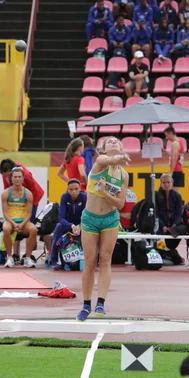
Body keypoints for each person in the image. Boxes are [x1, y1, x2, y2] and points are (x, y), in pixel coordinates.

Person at [78, 137, 130, 322]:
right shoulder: (100, 163)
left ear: (121, 146)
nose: (113, 143)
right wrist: (119, 158)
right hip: (90, 219)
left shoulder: (123, 175)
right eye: (109, 142)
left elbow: (120, 203)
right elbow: (108, 160)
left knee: (106, 260)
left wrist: (106, 193)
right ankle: (86, 304)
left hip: (109, 219)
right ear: (102, 148)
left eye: (117, 141)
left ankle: (101, 302)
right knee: (90, 262)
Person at [0, 167, 38, 268]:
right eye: (15, 177)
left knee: (33, 229)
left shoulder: (28, 194)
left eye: (19, 177)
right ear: (11, 179)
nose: (17, 179)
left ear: (23, 179)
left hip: (23, 221)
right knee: (6, 228)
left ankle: (28, 258)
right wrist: (14, 224)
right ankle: (9, 257)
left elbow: (29, 213)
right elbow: (5, 213)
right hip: (10, 220)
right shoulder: (5, 193)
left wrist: (22, 224)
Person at [50, 179, 87, 270]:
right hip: (67, 225)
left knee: (92, 231)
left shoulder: (84, 197)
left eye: (76, 189)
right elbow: (61, 217)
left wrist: (80, 225)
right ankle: (54, 261)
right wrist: (71, 225)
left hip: (81, 224)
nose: (73, 191)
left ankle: (93, 260)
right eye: (71, 189)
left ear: (80, 189)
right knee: (58, 227)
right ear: (67, 190)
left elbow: (87, 215)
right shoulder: (64, 197)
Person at [155, 173, 183, 248]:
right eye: (164, 183)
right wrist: (163, 226)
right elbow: (155, 214)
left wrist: (174, 226)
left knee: (184, 230)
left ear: (172, 183)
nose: (166, 184)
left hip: (173, 226)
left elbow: (179, 214)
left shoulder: (177, 196)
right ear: (161, 184)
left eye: (168, 182)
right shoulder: (156, 195)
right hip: (160, 225)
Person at [163, 126, 184, 192]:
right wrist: (165, 151)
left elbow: (174, 158)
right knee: (174, 191)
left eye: (167, 135)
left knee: (174, 192)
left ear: (171, 133)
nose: (166, 138)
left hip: (176, 170)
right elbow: (173, 156)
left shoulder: (175, 143)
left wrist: (171, 172)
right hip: (178, 169)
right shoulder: (179, 141)